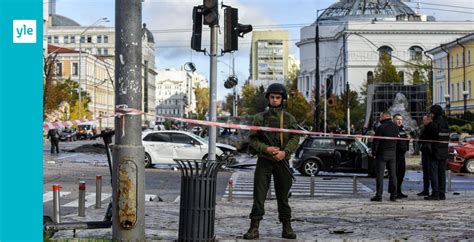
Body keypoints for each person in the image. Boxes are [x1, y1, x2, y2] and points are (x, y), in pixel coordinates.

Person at [243, 83, 300, 240]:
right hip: (264, 161)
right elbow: (252, 139)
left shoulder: (288, 119)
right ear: (268, 98)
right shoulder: (260, 118)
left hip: (282, 161)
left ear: (283, 99)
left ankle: (286, 227)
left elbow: (295, 137)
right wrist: (265, 149)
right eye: (272, 97)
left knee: (283, 197)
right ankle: (254, 228)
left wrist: (285, 152)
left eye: (278, 97)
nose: (275, 100)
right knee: (259, 196)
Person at [371, 111, 399, 202]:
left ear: (385, 117)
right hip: (392, 154)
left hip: (382, 154)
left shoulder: (380, 128)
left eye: (380, 117)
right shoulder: (395, 127)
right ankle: (393, 195)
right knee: (393, 175)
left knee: (380, 175)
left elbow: (376, 142)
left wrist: (374, 153)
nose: (379, 118)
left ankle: (379, 195)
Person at [425, 105, 450, 201]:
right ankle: (442, 193)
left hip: (434, 152)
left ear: (434, 113)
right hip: (444, 152)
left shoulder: (434, 124)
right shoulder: (445, 123)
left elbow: (425, 136)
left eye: (431, 112)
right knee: (442, 173)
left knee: (434, 173)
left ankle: (435, 193)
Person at [391, 114, 409, 199]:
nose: (400, 121)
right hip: (395, 155)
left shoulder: (403, 129)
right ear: (393, 120)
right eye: (398, 119)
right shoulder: (392, 129)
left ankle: (399, 191)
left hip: (402, 155)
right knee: (394, 174)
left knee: (401, 174)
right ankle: (394, 192)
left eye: (401, 119)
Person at [417, 114, 434, 196]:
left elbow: (422, 138)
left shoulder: (430, 127)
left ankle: (431, 190)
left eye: (424, 120)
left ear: (429, 119)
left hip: (429, 152)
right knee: (425, 173)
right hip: (425, 151)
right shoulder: (424, 127)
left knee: (429, 172)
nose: (423, 121)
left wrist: (420, 140)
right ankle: (425, 190)